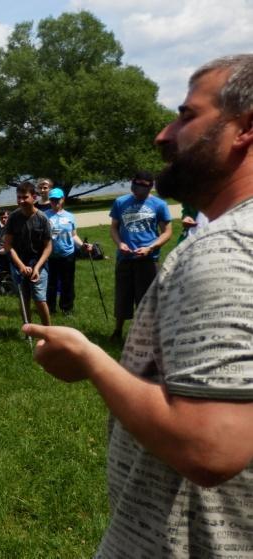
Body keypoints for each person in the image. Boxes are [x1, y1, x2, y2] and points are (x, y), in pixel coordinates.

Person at [24, 53, 253, 557]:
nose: (164, 134)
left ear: (245, 129)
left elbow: (210, 446)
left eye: (188, 115)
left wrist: (90, 359)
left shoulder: (228, 249)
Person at [109, 170, 172, 341]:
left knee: (146, 300)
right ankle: (117, 331)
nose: (137, 189)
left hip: (148, 260)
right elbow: (114, 227)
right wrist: (120, 243)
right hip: (125, 258)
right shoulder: (120, 202)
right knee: (122, 296)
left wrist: (151, 248)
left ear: (150, 187)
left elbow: (167, 232)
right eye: (135, 185)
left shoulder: (159, 205)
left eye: (141, 187)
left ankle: (146, 335)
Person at [4, 181, 52, 326]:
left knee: (39, 298)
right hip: (18, 262)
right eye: (19, 197)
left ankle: (48, 331)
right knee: (23, 299)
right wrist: (20, 266)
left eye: (25, 197)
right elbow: (8, 245)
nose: (21, 201)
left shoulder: (42, 218)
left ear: (34, 197)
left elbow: (48, 246)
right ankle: (28, 329)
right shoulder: (13, 217)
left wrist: (37, 268)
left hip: (38, 263)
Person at [44, 188, 90, 315]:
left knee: (67, 282)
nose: (54, 202)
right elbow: (41, 235)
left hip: (68, 254)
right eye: (52, 200)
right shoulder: (44, 215)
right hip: (51, 255)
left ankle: (67, 308)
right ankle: (50, 308)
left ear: (62, 199)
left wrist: (82, 246)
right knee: (51, 283)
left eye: (57, 200)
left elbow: (74, 235)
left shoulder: (70, 216)